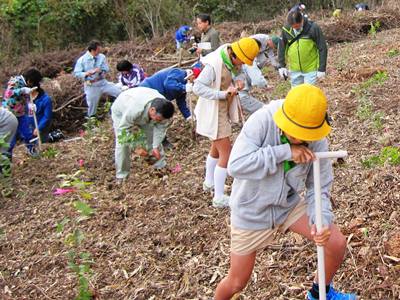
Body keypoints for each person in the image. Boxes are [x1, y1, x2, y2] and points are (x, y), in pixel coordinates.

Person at [214, 84, 356, 300]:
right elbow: (236, 165)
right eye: (295, 133)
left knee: (335, 244)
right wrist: (286, 152)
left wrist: (322, 220)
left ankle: (319, 293)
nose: (299, 139)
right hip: (251, 210)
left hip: (287, 205)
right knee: (236, 281)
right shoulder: (262, 120)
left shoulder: (317, 135)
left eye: (305, 135)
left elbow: (319, 186)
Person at [193, 37, 259, 208]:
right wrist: (222, 94)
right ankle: (219, 196)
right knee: (226, 152)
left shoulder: (229, 56)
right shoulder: (214, 64)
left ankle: (210, 182)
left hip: (221, 111)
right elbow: (197, 87)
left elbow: (239, 72)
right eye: (241, 62)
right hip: (212, 113)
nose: (241, 65)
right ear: (234, 55)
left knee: (216, 148)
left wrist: (238, 82)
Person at [111, 87, 175, 184]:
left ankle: (160, 167)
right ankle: (122, 176)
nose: (160, 121)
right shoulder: (134, 109)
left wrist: (155, 146)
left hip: (144, 109)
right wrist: (136, 147)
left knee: (151, 138)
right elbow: (124, 129)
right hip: (121, 111)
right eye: (159, 119)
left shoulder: (163, 111)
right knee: (122, 145)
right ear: (152, 110)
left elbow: (160, 130)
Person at [2, 68, 51, 155]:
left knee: (27, 133)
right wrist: (22, 90)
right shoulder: (16, 81)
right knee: (10, 138)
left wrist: (30, 103)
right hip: (10, 114)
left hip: (20, 113)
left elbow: (27, 97)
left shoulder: (44, 98)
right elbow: (8, 93)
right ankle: (6, 158)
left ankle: (32, 150)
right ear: (29, 81)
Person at [278, 10, 327, 87]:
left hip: (310, 68)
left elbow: (322, 47)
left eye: (298, 26)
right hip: (294, 69)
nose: (296, 29)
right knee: (296, 94)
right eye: (294, 27)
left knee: (308, 93)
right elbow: (282, 47)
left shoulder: (313, 28)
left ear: (302, 20)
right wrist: (281, 65)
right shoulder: (286, 29)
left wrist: (322, 68)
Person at [74, 40, 121, 117]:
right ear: (92, 50)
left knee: (119, 92)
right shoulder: (82, 60)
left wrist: (100, 70)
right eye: (98, 50)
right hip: (91, 85)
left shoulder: (102, 57)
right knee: (92, 106)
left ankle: (117, 110)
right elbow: (76, 73)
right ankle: (91, 122)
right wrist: (86, 73)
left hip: (103, 82)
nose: (99, 52)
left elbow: (106, 68)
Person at [238, 34, 280, 114]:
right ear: (270, 41)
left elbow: (271, 56)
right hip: (247, 55)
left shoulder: (269, 46)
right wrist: (264, 84)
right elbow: (257, 79)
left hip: (254, 59)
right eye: (273, 45)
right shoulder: (259, 39)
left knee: (263, 60)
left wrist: (277, 66)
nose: (273, 48)